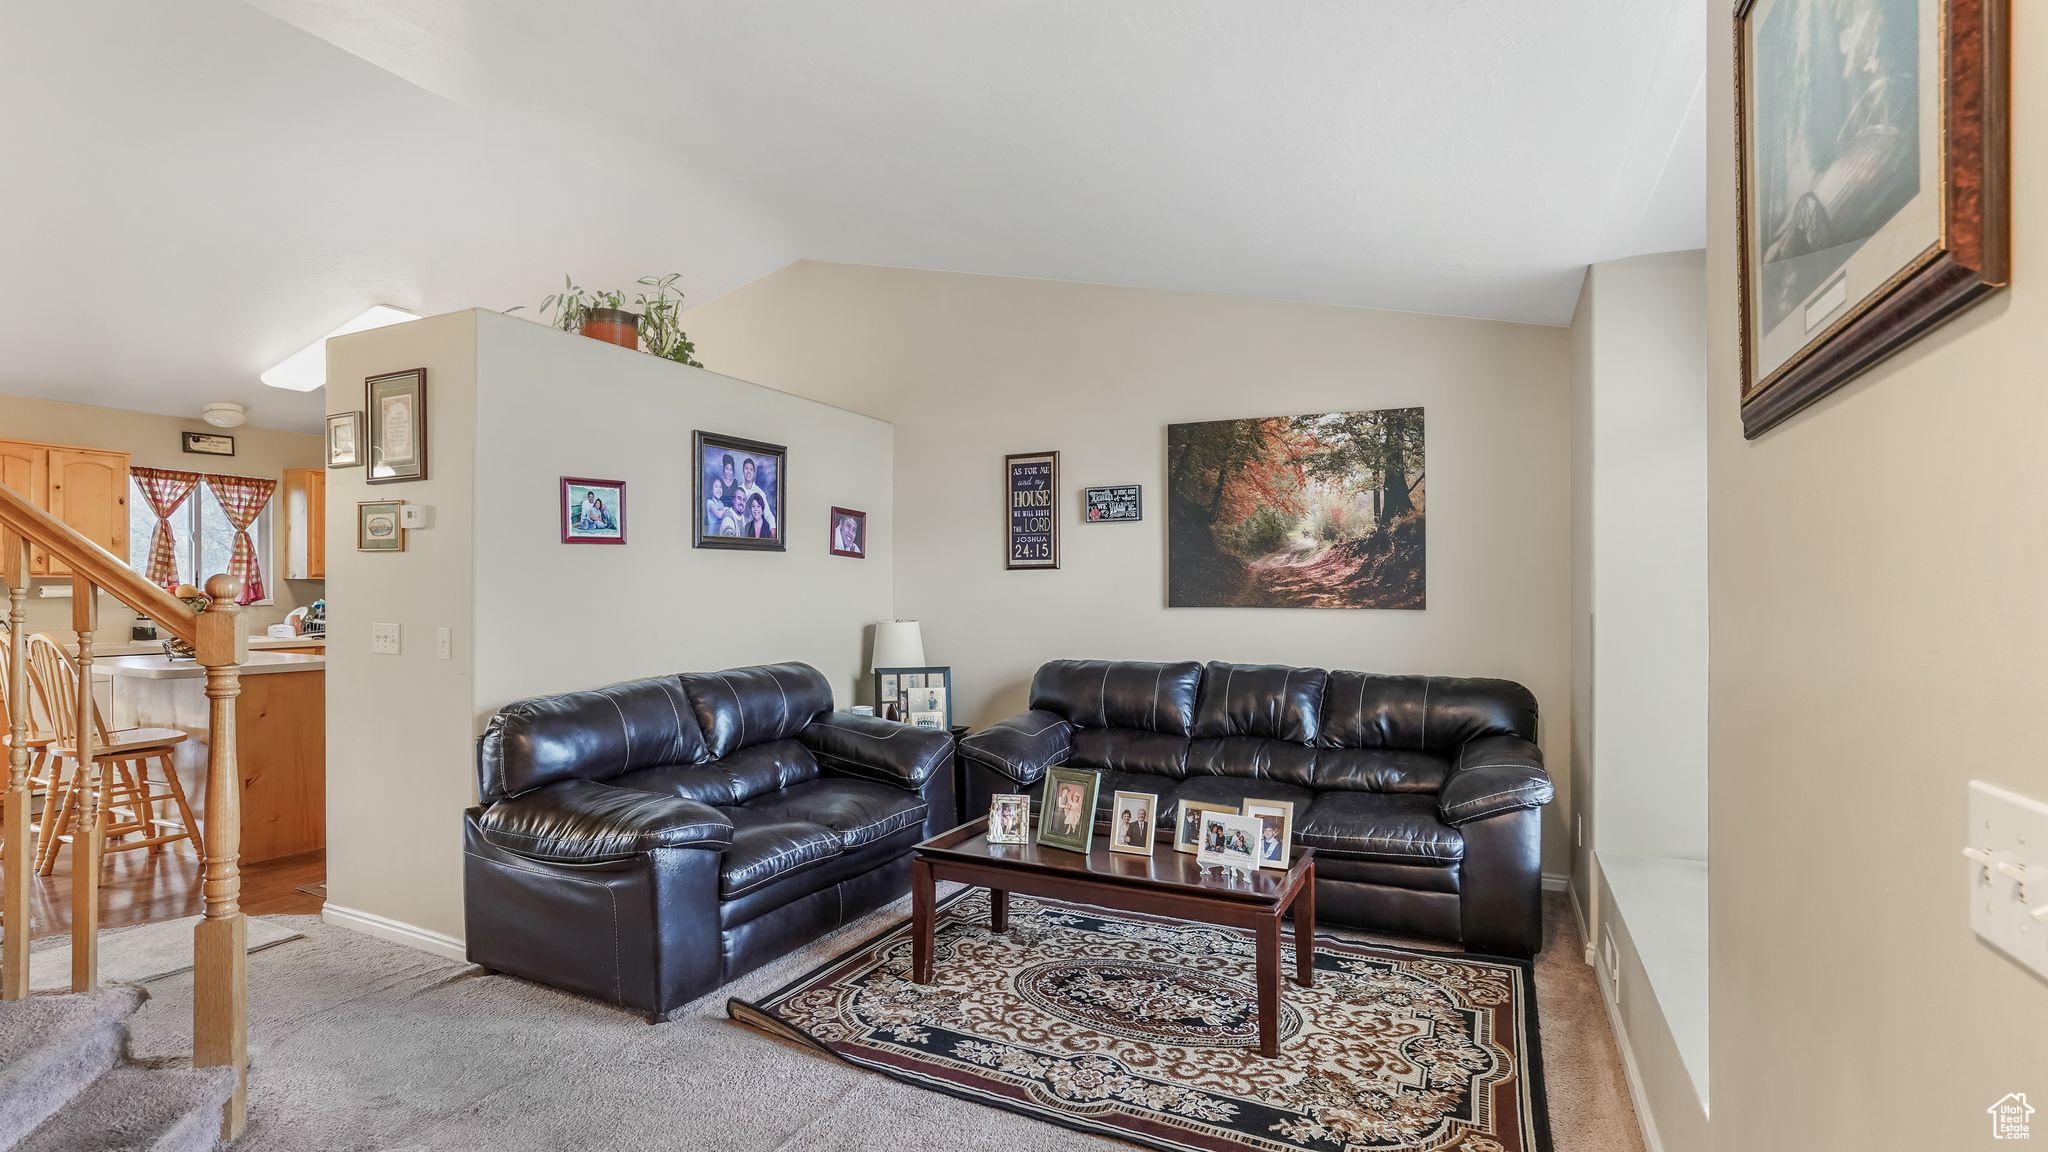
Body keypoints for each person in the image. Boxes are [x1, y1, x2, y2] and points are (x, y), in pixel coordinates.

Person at [738, 457, 776, 535]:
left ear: (754, 472)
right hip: (740, 530)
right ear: (743, 470)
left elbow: (768, 514)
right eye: (746, 468)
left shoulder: (760, 492)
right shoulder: (738, 490)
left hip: (754, 531)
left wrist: (773, 529)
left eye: (751, 469)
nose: (748, 471)